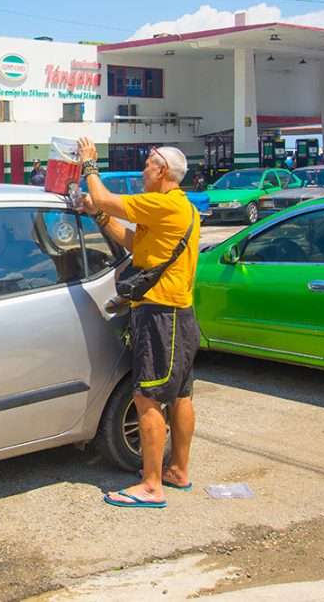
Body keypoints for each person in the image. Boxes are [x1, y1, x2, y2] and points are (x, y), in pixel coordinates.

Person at [77, 137, 201, 510]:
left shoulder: (163, 204)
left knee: (147, 396)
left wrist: (89, 165)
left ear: (162, 171)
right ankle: (177, 470)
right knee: (179, 395)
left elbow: (102, 196)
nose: (144, 169)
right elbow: (133, 241)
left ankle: (150, 485)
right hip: (179, 315)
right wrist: (98, 217)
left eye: (148, 164)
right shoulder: (177, 209)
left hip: (162, 316)